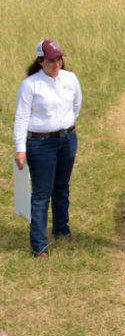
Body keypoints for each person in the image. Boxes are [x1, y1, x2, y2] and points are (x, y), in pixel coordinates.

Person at [13, 40, 83, 259]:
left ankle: (62, 229)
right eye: (51, 60)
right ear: (40, 61)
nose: (56, 64)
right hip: (41, 144)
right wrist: (20, 148)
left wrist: (66, 125)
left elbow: (76, 105)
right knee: (42, 193)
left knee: (62, 186)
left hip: (67, 139)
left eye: (59, 59)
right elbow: (22, 117)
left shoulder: (70, 79)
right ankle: (39, 246)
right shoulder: (30, 85)